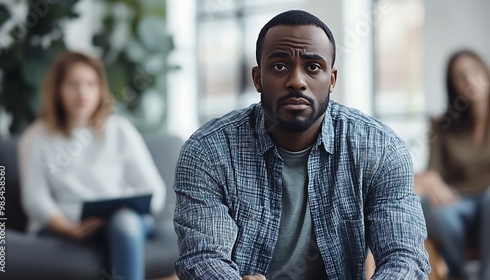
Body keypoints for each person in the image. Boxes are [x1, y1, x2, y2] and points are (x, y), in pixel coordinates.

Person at [173, 10, 430, 280]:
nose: (296, 81)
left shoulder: (380, 149)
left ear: (331, 80)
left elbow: (405, 256)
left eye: (313, 67)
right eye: (280, 66)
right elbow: (202, 258)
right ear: (258, 78)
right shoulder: (208, 152)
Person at [19, 51, 167, 280]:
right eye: (73, 84)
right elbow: (35, 199)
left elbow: (155, 192)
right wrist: (68, 228)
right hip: (66, 223)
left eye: (90, 84)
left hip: (122, 221)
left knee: (125, 224)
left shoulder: (120, 130)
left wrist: (126, 208)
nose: (82, 92)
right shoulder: (36, 137)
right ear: (57, 89)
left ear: (100, 89)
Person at [415, 50, 490, 280]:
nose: (469, 80)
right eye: (460, 76)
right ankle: (461, 272)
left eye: (474, 72)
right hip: (457, 201)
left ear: (486, 74)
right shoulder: (441, 124)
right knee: (429, 205)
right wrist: (431, 178)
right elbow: (433, 173)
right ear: (453, 85)